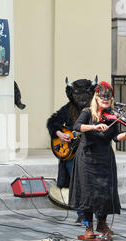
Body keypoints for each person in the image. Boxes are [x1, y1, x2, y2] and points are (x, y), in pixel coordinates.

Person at [68, 81, 126, 239]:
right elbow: (77, 127)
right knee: (87, 194)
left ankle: (102, 223)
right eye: (102, 98)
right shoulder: (87, 113)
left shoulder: (113, 115)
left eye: (108, 99)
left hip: (105, 158)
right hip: (87, 157)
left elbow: (116, 138)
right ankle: (88, 227)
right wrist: (94, 127)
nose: (105, 101)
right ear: (96, 98)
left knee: (105, 193)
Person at [46, 77, 97, 225]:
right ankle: (82, 214)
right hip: (71, 154)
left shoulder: (95, 110)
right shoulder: (68, 109)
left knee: (88, 183)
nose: (81, 98)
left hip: (89, 151)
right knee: (77, 183)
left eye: (85, 95)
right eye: (77, 95)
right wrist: (59, 133)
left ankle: (91, 216)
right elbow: (52, 121)